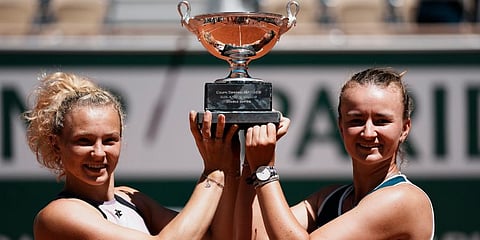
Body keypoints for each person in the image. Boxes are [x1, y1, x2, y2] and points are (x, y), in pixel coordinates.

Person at [24, 72, 240, 240]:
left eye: (109, 140)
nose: (98, 153)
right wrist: (214, 173)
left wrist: (230, 163)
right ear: (56, 144)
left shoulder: (130, 198)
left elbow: (215, 238)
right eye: (84, 141)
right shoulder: (59, 214)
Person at [234, 67, 435, 239]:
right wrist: (251, 162)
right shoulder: (328, 199)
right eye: (356, 120)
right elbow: (254, 236)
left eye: (382, 121)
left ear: (405, 128)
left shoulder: (404, 199)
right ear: (340, 126)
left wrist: (265, 170)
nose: (368, 132)